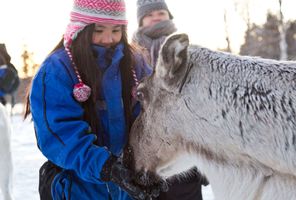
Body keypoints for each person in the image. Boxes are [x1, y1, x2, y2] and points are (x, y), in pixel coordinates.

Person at [24, 0, 157, 199]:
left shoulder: (134, 63)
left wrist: (151, 163)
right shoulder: (57, 70)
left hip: (126, 187)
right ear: (81, 28)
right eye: (99, 29)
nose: (108, 38)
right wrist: (106, 167)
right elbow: (60, 133)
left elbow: (152, 116)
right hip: (77, 186)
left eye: (116, 30)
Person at [132, 0, 209, 200]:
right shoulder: (130, 56)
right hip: (146, 155)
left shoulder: (187, 52)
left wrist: (206, 157)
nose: (156, 17)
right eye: (149, 14)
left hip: (184, 155)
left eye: (160, 12)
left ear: (169, 16)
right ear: (140, 21)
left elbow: (202, 103)